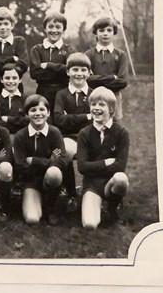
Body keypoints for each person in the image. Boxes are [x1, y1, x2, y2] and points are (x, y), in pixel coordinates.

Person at [77, 87, 130, 229]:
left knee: (121, 179)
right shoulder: (84, 133)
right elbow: (82, 167)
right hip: (92, 185)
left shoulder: (121, 133)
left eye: (102, 105)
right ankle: (94, 203)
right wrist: (105, 162)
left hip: (110, 182)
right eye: (93, 104)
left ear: (111, 109)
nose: (96, 108)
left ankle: (113, 208)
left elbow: (120, 167)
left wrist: (92, 166)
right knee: (89, 225)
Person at [13, 94, 67, 225]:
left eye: (42, 110)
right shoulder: (21, 136)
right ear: (27, 114)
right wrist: (48, 161)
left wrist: (33, 160)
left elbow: (62, 160)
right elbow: (20, 165)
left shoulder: (54, 132)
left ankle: (52, 207)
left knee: (54, 172)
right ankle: (34, 200)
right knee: (32, 219)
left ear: (48, 113)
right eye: (33, 110)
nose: (38, 113)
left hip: (49, 178)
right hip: (31, 181)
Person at [53, 52, 94, 212]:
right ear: (68, 72)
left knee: (99, 152)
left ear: (89, 72)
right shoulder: (61, 94)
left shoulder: (93, 94)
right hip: (69, 137)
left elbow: (97, 120)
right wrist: (86, 116)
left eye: (83, 70)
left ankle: (91, 192)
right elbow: (59, 120)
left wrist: (70, 118)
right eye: (75, 69)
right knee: (67, 150)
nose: (79, 73)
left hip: (90, 136)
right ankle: (71, 193)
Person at [29, 11, 75, 115]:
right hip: (43, 91)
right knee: (44, 118)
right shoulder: (37, 49)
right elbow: (35, 73)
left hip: (63, 91)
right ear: (45, 28)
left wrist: (49, 66)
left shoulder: (69, 49)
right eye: (50, 27)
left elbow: (71, 70)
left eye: (58, 27)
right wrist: (61, 71)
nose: (54, 30)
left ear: (63, 29)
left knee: (61, 119)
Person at [84, 17, 128, 120]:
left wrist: (97, 80)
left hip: (114, 97)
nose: (105, 33)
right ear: (96, 32)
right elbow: (87, 79)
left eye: (109, 30)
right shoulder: (89, 55)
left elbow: (122, 81)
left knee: (114, 127)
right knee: (94, 124)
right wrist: (111, 77)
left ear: (114, 32)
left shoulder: (120, 55)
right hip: (93, 97)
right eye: (101, 30)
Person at [0, 7, 29, 95]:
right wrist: (12, 59)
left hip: (15, 88)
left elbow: (23, 65)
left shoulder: (19, 41)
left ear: (12, 25)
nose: (3, 27)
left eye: (6, 24)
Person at [0, 63, 29, 135]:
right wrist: (19, 122)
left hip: (21, 136)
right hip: (1, 136)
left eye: (14, 78)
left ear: (20, 80)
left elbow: (29, 121)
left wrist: (8, 119)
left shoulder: (26, 99)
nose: (11, 81)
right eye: (7, 78)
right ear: (1, 79)